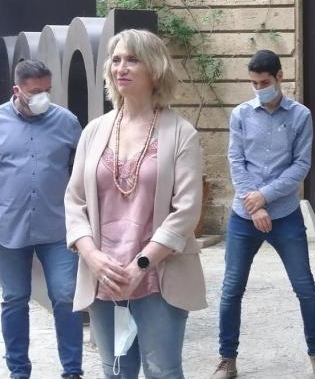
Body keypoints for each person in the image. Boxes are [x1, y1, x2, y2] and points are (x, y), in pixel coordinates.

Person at [65, 29, 207, 378]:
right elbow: (74, 201)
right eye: (115, 60)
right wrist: (92, 257)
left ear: (155, 69)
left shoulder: (181, 133)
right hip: (104, 276)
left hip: (158, 275)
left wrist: (140, 265)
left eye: (132, 59)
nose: (121, 68)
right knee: (115, 370)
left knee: (162, 371)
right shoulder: (94, 131)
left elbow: (186, 210)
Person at [212, 50, 315, 379]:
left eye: (264, 83)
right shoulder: (240, 114)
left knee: (305, 287)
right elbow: (236, 161)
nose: (259, 89)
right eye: (253, 83)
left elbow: (301, 166)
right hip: (244, 216)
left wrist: (264, 197)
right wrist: (254, 206)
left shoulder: (300, 116)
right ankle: (226, 359)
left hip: (285, 215)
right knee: (231, 289)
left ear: (280, 77)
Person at [0, 60, 83, 379]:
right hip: (9, 229)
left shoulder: (67, 122)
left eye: (48, 90)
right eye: (35, 92)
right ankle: (19, 371)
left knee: (65, 296)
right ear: (17, 90)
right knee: (14, 299)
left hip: (58, 228)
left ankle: (72, 371)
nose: (43, 97)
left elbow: (83, 172)